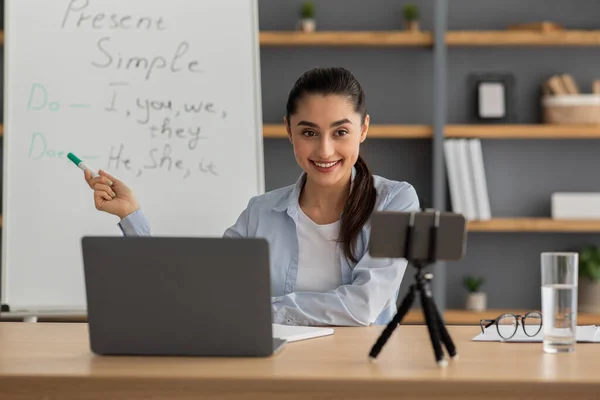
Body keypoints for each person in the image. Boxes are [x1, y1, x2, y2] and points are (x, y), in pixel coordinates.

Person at [84, 67, 419, 326]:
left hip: (362, 371)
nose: (325, 149)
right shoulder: (261, 212)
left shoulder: (394, 201)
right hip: (275, 368)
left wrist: (261, 309)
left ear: (363, 129)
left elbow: (363, 307)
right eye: (308, 132)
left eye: (341, 132)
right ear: (289, 130)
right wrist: (131, 216)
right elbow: (202, 290)